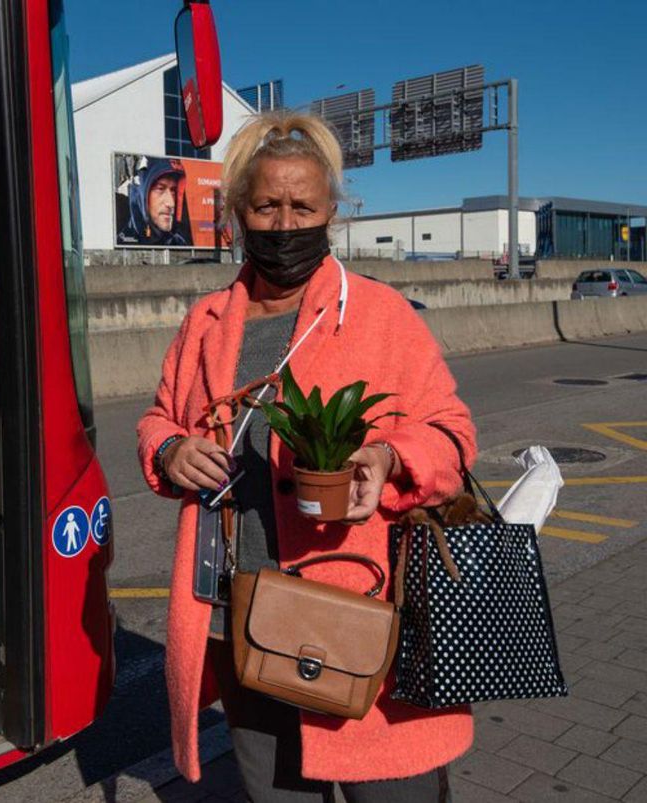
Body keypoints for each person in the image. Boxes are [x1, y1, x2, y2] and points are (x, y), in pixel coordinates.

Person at [136, 112, 476, 801]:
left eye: (303, 206)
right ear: (237, 213)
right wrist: (169, 449)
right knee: (276, 793)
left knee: (395, 790)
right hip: (244, 621)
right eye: (267, 205)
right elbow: (158, 417)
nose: (284, 222)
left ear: (331, 215)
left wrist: (388, 459)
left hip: (364, 619)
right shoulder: (204, 322)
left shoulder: (381, 315)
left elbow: (453, 431)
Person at [118, 157, 189, 246]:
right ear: (140, 194)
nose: (171, 203)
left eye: (173, 191)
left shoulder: (179, 244)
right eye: (160, 189)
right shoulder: (122, 243)